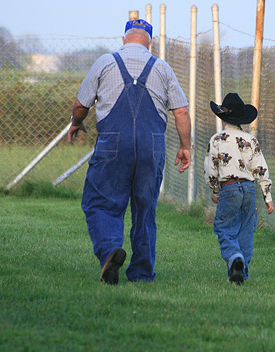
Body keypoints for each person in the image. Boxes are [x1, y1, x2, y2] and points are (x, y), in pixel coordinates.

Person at [68, 19, 191, 285]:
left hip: (113, 143)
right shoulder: (162, 67)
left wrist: (77, 123)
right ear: (150, 42)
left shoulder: (104, 62)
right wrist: (185, 146)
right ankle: (142, 273)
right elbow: (181, 111)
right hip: (152, 146)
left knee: (101, 202)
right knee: (145, 209)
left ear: (123, 39)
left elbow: (81, 104)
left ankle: (110, 250)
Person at [204, 93, 274, 285]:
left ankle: (235, 258)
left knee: (224, 228)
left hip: (229, 188)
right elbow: (261, 168)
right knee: (246, 231)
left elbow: (211, 170)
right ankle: (241, 273)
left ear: (223, 117)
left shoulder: (216, 140)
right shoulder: (250, 140)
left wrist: (216, 191)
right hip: (249, 190)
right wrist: (267, 197)